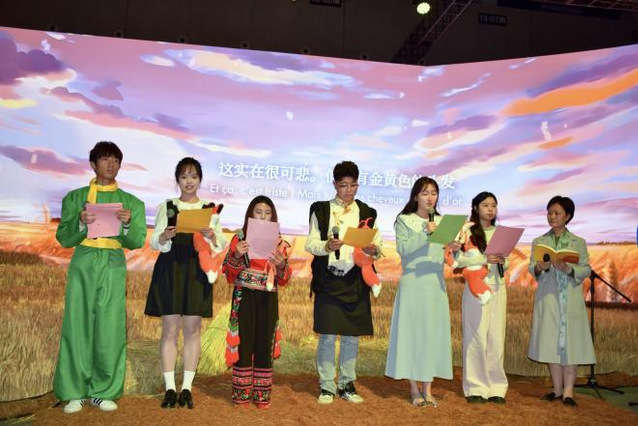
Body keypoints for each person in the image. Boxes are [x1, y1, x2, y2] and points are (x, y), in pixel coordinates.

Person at [53, 141, 147, 414]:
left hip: (114, 264)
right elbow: (64, 238)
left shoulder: (132, 203)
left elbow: (137, 240)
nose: (111, 164)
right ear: (93, 164)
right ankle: (74, 391)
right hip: (83, 261)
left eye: (115, 160)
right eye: (105, 159)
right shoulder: (75, 198)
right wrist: (80, 222)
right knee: (77, 323)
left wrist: (127, 224)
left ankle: (103, 391)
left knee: (110, 326)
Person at [145, 157, 226, 409]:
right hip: (170, 268)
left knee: (192, 330)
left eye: (193, 176)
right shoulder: (167, 206)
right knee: (169, 329)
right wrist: (164, 236)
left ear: (200, 180)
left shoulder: (208, 209)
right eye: (184, 176)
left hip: (196, 271)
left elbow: (220, 244)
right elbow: (154, 242)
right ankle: (170, 388)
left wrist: (211, 236)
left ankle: (187, 388)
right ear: (177, 180)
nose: (189, 181)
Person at [305, 161, 382, 405]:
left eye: (352, 185)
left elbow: (377, 247)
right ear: (334, 185)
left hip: (355, 280)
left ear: (358, 184)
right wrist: (327, 246)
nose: (348, 190)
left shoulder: (368, 212)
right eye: (343, 185)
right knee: (327, 336)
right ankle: (327, 386)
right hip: (329, 279)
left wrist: (373, 250)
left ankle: (347, 384)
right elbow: (310, 244)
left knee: (351, 336)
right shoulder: (321, 209)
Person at [385, 177, 460, 407]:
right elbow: (404, 249)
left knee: (431, 335)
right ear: (416, 196)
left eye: (434, 193)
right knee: (412, 334)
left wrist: (454, 249)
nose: (430, 198)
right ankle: (414, 389)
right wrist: (425, 233)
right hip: (413, 282)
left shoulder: (443, 222)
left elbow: (448, 257)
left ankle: (428, 389)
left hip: (435, 283)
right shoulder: (404, 220)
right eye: (425, 193)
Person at [222, 195, 292, 408]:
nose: (263, 216)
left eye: (267, 213)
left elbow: (284, 279)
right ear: (250, 215)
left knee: (264, 341)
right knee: (243, 342)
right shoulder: (239, 238)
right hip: (244, 296)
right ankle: (241, 393)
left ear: (273, 217)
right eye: (258, 212)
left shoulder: (280, 242)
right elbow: (229, 274)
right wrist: (236, 255)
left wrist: (281, 264)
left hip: (268, 297)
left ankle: (262, 394)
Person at [528, 196, 594, 407]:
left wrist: (568, 268)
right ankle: (556, 389)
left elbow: (586, 269)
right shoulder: (539, 241)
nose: (552, 216)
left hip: (570, 299)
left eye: (557, 213)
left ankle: (568, 391)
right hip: (548, 298)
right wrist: (539, 267)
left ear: (568, 216)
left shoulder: (578, 242)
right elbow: (531, 268)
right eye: (549, 212)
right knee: (550, 341)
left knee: (571, 343)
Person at [450, 192, 508, 404]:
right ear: (475, 208)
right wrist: (484, 259)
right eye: (485, 205)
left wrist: (502, 261)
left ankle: (497, 388)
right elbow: (458, 261)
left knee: (496, 338)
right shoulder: (467, 231)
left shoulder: (501, 233)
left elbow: (507, 263)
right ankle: (475, 387)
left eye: (494, 205)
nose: (490, 209)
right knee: (476, 337)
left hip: (498, 288)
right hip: (476, 289)